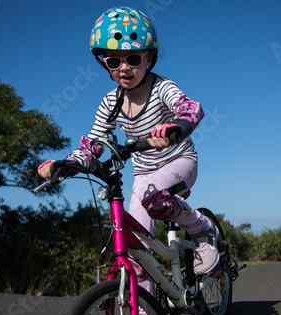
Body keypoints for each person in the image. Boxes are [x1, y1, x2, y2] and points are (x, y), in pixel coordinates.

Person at [37, 6, 219, 294]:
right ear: (104, 63)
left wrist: (175, 128)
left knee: (156, 201)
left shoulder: (162, 88)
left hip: (178, 161)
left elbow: (190, 108)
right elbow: (94, 144)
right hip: (144, 173)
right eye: (113, 61)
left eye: (133, 59)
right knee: (136, 252)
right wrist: (65, 165)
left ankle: (201, 229)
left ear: (149, 57)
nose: (124, 68)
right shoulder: (110, 103)